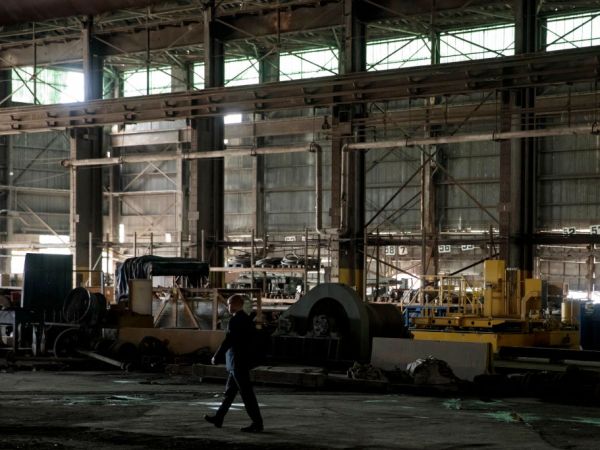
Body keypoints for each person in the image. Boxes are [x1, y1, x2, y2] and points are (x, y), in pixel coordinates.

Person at [204, 294, 264, 432]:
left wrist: (216, 356)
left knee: (247, 394)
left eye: (229, 304)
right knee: (229, 393)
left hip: (237, 362)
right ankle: (219, 417)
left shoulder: (236, 320)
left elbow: (228, 340)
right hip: (238, 362)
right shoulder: (246, 319)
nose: (228, 306)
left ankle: (257, 423)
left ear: (236, 304)